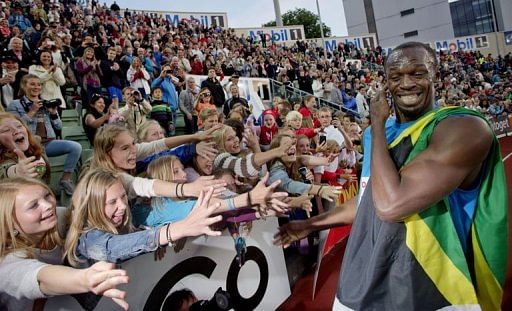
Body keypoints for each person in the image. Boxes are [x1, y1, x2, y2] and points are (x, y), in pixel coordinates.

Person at [274, 42, 508, 310]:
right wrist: (311, 224)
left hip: (434, 287)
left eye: (417, 73)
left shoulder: (464, 128)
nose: (406, 83)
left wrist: (376, 124)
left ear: (436, 76)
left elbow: (390, 205)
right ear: (386, 83)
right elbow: (369, 199)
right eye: (396, 76)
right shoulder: (375, 135)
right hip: (365, 281)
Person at [0, 177, 130, 310]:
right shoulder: (7, 261)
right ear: (9, 223)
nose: (48, 205)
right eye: (33, 205)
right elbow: (42, 277)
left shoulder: (59, 217)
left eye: (47, 195)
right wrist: (85, 278)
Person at [7, 74, 81, 195]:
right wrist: (32, 111)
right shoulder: (15, 104)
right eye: (32, 84)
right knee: (41, 156)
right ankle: (41, 189)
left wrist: (53, 113)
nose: (36, 87)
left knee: (76, 147)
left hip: (48, 142)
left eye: (39, 84)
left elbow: (58, 126)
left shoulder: (45, 103)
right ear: (24, 86)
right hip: (29, 145)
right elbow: (13, 127)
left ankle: (65, 179)